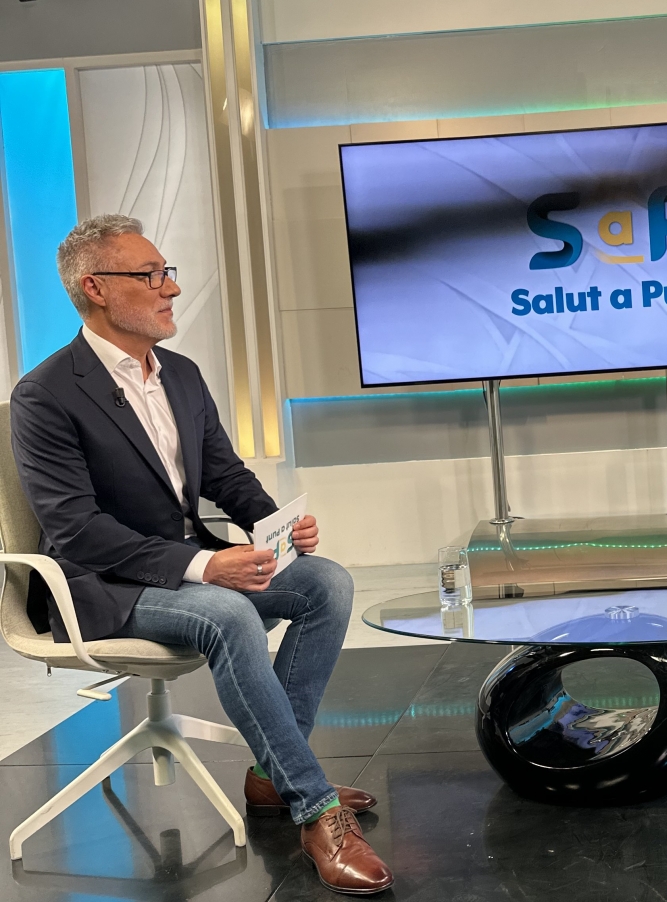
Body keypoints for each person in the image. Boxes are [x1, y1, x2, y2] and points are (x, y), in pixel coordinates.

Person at [9, 214, 393, 895]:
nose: (172, 288)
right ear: (96, 288)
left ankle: (275, 775)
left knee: (326, 583)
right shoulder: (45, 395)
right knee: (228, 613)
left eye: (169, 273)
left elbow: (224, 475)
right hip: (100, 585)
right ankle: (314, 809)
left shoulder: (180, 374)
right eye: (151, 275)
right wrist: (204, 566)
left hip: (184, 568)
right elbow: (75, 530)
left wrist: (276, 528)